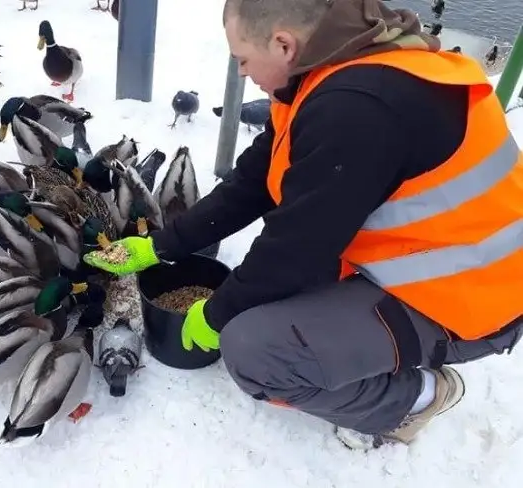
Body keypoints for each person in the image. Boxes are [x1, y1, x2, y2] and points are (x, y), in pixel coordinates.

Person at [83, 0, 523, 450]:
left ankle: (418, 398)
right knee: (264, 297)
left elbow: (295, 248)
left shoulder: (354, 110)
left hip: (470, 301)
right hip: (423, 263)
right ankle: (369, 349)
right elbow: (254, 183)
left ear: (283, 44)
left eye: (243, 60)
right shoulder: (332, 68)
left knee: (255, 350)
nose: (242, 74)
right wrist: (160, 246)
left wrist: (216, 314)